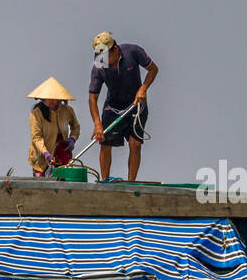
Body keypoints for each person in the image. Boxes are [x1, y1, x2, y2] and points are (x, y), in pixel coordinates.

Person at [87, 32, 158, 181]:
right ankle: (105, 181)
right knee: (105, 143)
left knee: (136, 144)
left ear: (116, 50)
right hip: (112, 107)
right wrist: (97, 124)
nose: (105, 61)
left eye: (107, 57)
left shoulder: (133, 52)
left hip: (135, 105)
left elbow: (153, 69)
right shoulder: (99, 64)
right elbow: (93, 98)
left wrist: (143, 89)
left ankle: (131, 183)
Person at [27, 77, 80, 177]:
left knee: (63, 182)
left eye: (55, 98)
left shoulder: (67, 110)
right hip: (42, 157)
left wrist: (72, 139)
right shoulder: (36, 114)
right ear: (43, 98)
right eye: (49, 98)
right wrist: (46, 153)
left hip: (62, 151)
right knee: (42, 187)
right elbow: (36, 138)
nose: (52, 101)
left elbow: (75, 127)